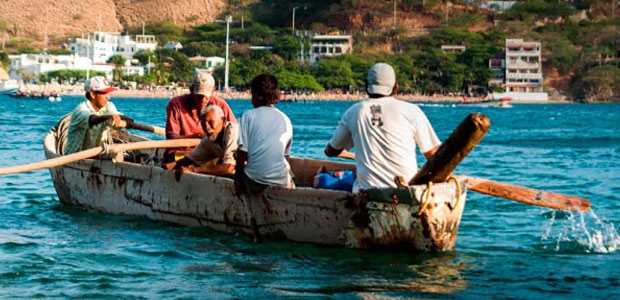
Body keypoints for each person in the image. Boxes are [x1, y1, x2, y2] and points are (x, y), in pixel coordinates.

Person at [324, 63, 441, 192]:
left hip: (366, 192)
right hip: (405, 191)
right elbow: (433, 156)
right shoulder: (412, 111)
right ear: (396, 87)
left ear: (366, 86)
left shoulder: (354, 112)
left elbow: (331, 151)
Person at [234, 73, 294, 196]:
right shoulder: (286, 119)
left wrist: (237, 178)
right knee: (291, 180)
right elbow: (286, 156)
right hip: (281, 181)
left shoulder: (248, 116)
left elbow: (243, 153)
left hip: (255, 180)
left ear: (256, 95)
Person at [164, 72, 237, 163]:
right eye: (199, 95)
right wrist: (197, 136)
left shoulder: (220, 105)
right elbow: (171, 138)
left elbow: (234, 131)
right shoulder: (176, 104)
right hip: (182, 153)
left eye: (205, 96)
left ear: (213, 91)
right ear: (191, 90)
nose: (202, 99)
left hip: (211, 154)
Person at [64, 76, 134, 155]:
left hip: (96, 156)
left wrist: (126, 119)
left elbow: (116, 115)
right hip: (74, 158)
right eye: (104, 93)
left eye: (108, 93)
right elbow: (91, 120)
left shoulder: (108, 106)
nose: (108, 97)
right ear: (93, 94)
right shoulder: (80, 110)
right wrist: (107, 117)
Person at [165, 105, 238, 178]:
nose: (206, 128)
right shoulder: (209, 139)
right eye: (203, 124)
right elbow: (190, 159)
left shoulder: (233, 132)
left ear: (224, 121)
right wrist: (170, 166)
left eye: (211, 123)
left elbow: (228, 167)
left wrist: (192, 170)